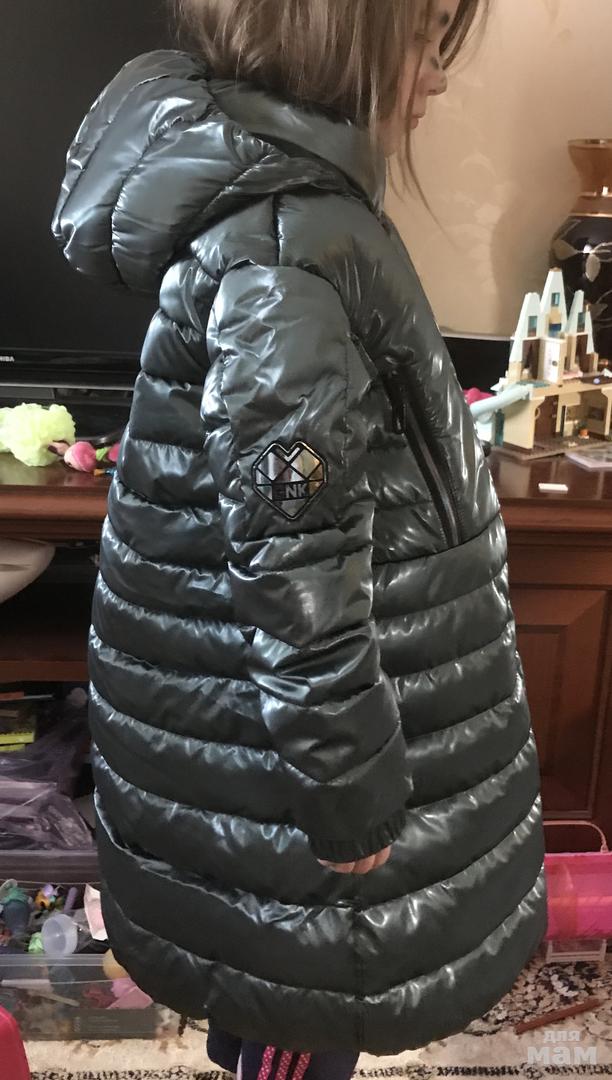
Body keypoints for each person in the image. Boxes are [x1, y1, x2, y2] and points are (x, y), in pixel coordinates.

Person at [52, 1, 549, 1077]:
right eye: (427, 38)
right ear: (342, 36)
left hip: (263, 760)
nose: (439, 76)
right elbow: (295, 554)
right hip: (295, 804)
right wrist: (350, 793)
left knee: (280, 1007)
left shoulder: (295, 220)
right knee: (301, 1022)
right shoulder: (285, 251)